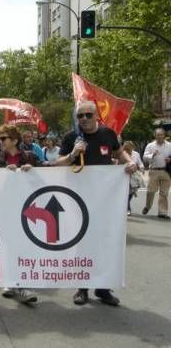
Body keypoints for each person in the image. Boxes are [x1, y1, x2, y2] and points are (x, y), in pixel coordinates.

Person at [55, 100, 137, 306]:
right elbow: (57, 163)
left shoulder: (108, 134)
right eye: (80, 116)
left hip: (106, 199)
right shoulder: (71, 137)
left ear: (96, 116)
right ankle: (82, 288)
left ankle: (103, 287)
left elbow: (118, 152)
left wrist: (130, 162)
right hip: (78, 200)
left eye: (88, 115)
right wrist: (73, 154)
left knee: (106, 242)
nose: (83, 119)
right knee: (83, 242)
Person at [0, 125, 39, 304]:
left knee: (26, 247)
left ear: (14, 140)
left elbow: (49, 176)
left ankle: (25, 284)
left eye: (3, 138)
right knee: (10, 247)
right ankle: (11, 281)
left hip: (29, 210)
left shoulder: (31, 157)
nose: (0, 141)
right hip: (6, 210)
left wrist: (33, 171)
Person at [142, 128, 171, 220]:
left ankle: (162, 212)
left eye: (161, 134)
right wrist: (152, 155)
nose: (160, 136)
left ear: (164, 135)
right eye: (158, 135)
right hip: (154, 170)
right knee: (151, 191)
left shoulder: (170, 145)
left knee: (164, 193)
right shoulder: (150, 145)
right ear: (155, 135)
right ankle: (148, 206)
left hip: (166, 171)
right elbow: (144, 158)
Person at [123, 141, 145, 216]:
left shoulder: (136, 154)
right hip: (123, 175)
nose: (127, 148)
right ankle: (127, 208)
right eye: (126, 146)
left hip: (133, 175)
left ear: (132, 147)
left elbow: (140, 163)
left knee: (131, 192)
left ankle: (126, 206)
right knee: (126, 193)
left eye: (129, 147)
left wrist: (142, 168)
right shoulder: (122, 153)